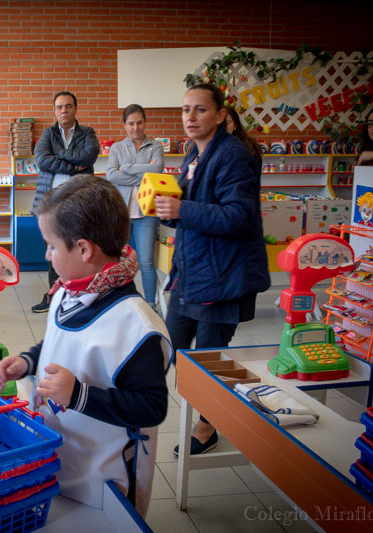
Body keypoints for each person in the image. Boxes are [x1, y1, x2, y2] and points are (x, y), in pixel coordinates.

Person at [0, 175, 171, 517]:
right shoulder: (68, 289)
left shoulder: (136, 327)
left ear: (84, 249)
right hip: (57, 463)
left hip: (103, 485)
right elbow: (62, 341)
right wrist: (29, 361)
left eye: (52, 246)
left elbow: (152, 407)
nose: (47, 254)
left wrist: (78, 395)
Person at [153, 83, 269, 456]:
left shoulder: (233, 155)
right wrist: (169, 210)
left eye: (199, 110)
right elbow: (191, 207)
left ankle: (209, 424)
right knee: (171, 345)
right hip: (194, 271)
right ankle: (222, 403)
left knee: (211, 358)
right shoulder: (193, 153)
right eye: (185, 109)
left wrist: (182, 211)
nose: (190, 117)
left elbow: (240, 216)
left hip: (223, 276)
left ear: (221, 116)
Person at [31, 91, 100, 313]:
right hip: (51, 204)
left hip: (78, 203)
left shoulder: (88, 133)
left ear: (75, 109)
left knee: (80, 250)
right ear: (55, 111)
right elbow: (42, 159)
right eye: (59, 107)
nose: (64, 111)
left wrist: (59, 154)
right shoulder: (47, 133)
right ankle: (54, 295)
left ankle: (79, 295)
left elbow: (89, 156)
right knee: (53, 253)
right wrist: (71, 162)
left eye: (68, 106)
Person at [105, 104, 165, 307]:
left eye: (139, 122)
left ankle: (150, 305)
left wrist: (128, 169)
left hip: (147, 211)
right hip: (121, 212)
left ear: (145, 123)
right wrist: (142, 177)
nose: (135, 127)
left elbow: (157, 170)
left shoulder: (155, 146)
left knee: (146, 262)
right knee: (119, 262)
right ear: (124, 125)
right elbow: (112, 175)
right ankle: (120, 303)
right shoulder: (117, 147)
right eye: (131, 123)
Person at [225, 106, 263, 171]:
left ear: (235, 125)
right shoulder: (209, 146)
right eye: (220, 123)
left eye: (227, 123)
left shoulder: (250, 147)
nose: (224, 126)